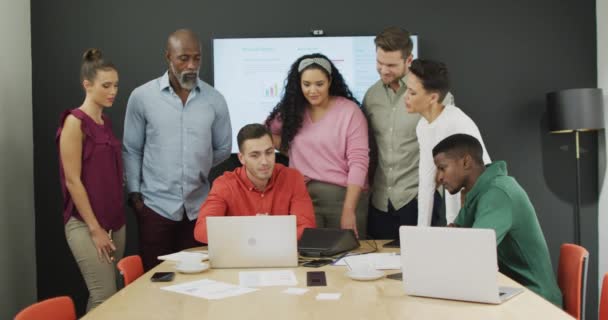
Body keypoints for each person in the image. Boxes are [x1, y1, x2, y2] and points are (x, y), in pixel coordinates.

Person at [123, 29, 232, 271]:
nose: (191, 65)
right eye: (184, 58)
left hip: (198, 208)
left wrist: (196, 164)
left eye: (197, 58)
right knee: (155, 282)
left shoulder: (215, 99)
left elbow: (224, 147)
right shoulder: (142, 97)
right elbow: (131, 148)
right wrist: (135, 196)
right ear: (168, 57)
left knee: (199, 281)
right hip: (154, 207)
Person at [433, 134, 562, 307]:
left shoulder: (498, 192)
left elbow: (474, 253)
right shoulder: (478, 191)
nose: (439, 178)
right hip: (512, 291)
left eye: (442, 168)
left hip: (537, 300)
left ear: (466, 162)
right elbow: (455, 235)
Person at [363, 27, 454, 239]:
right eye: (379, 62)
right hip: (380, 203)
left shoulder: (433, 95)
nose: (384, 70)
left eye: (391, 65)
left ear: (409, 60)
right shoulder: (371, 96)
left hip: (418, 198)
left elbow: (449, 148)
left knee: (421, 267)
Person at [265, 53, 369, 238]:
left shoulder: (349, 111)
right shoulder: (292, 110)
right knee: (306, 258)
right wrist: (292, 150)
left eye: (319, 84)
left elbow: (359, 162)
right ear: (299, 84)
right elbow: (264, 133)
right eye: (306, 85)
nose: (313, 90)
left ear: (330, 81)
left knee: (345, 260)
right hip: (303, 197)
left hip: (342, 197)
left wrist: (348, 210)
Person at [57, 48, 125, 311]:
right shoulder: (75, 122)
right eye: (106, 85)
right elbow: (73, 180)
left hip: (115, 222)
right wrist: (95, 229)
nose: (113, 91)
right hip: (86, 224)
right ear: (87, 85)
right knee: (103, 293)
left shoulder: (104, 121)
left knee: (113, 295)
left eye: (116, 85)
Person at [194, 124, 316, 243]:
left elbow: (306, 227)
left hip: (280, 257)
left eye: (269, 152)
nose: (264, 161)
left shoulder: (292, 178)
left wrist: (265, 234)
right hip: (240, 258)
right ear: (241, 158)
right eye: (255, 155)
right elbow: (201, 230)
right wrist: (253, 229)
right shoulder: (224, 185)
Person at [405, 59, 491, 226]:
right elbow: (426, 183)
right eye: (407, 90)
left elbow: (456, 184)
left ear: (433, 97)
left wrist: (453, 227)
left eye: (412, 93)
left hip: (484, 200)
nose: (406, 97)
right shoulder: (422, 126)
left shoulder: (453, 121)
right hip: (465, 202)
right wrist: (421, 234)